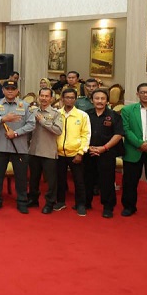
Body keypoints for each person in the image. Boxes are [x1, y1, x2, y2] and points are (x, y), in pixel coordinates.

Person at [0, 80, 35, 213]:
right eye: (7, 88)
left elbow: (31, 124)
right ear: (3, 90)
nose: (10, 91)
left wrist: (16, 133)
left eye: (13, 88)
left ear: (17, 90)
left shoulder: (25, 105)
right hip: (0, 147)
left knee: (21, 177)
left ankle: (22, 201)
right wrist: (3, 119)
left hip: (20, 148)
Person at [84, 88, 123, 218]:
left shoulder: (114, 115)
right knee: (87, 178)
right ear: (92, 100)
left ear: (107, 101)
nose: (99, 101)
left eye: (102, 99)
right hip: (88, 151)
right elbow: (80, 132)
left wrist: (104, 148)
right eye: (97, 98)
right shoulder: (86, 115)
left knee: (107, 180)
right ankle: (86, 202)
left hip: (107, 152)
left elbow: (118, 135)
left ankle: (108, 206)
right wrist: (88, 147)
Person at [27, 88, 64, 214]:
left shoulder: (56, 113)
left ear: (51, 99)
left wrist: (43, 121)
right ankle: (33, 199)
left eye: (46, 96)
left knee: (51, 180)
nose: (44, 98)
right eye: (41, 96)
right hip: (33, 150)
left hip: (48, 151)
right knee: (33, 178)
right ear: (38, 97)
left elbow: (58, 131)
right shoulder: (32, 111)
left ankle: (49, 202)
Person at [55, 88, 91, 216]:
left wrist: (81, 152)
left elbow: (86, 135)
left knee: (79, 181)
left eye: (72, 97)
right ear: (62, 99)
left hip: (75, 153)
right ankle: (60, 201)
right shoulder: (57, 114)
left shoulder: (82, 115)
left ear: (75, 99)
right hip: (59, 153)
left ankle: (80, 204)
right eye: (67, 97)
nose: (69, 99)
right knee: (59, 180)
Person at [120, 83, 147, 217]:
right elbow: (125, 129)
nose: (145, 94)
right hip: (133, 150)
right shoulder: (128, 110)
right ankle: (129, 207)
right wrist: (139, 144)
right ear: (137, 94)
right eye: (142, 92)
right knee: (130, 181)